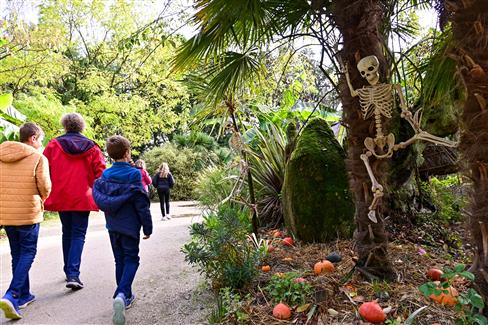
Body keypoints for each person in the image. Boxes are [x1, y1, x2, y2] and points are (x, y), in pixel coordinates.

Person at [92, 135, 152, 325]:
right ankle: (121, 293)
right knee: (132, 259)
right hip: (130, 226)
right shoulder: (135, 174)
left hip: (113, 226)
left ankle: (125, 295)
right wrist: (147, 227)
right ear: (127, 152)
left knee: (119, 260)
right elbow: (141, 204)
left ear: (109, 155)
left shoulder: (105, 176)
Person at [43, 113, 106, 290]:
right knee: (78, 234)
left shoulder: (54, 144)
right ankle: (73, 274)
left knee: (67, 232)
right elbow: (100, 173)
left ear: (65, 126)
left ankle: (68, 271)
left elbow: (43, 169)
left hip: (62, 195)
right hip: (82, 197)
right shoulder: (92, 147)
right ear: (81, 126)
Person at [0, 123, 52, 319]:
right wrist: (41, 200)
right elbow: (45, 186)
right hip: (28, 212)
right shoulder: (38, 157)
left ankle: (24, 295)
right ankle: (12, 295)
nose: (41, 143)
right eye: (40, 139)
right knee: (28, 252)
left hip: (6, 213)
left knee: (17, 254)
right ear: (33, 138)